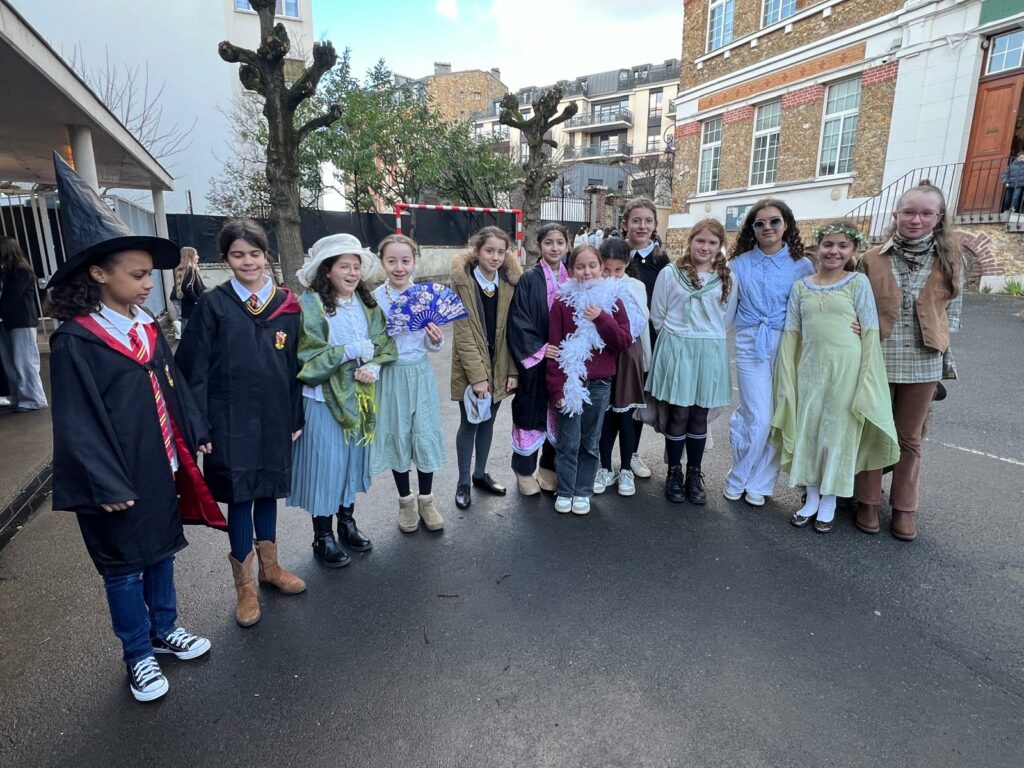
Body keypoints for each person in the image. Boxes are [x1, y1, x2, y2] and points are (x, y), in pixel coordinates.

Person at [45, 152, 219, 702]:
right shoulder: (77, 340)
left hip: (157, 464)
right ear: (99, 273)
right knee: (123, 568)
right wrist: (104, 482)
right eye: (138, 275)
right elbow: (75, 421)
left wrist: (195, 429)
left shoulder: (145, 328)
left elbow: (173, 385)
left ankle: (165, 629)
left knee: (161, 552)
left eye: (149, 275)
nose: (148, 285)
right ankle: (138, 653)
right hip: (116, 479)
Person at [174, 219, 306, 628]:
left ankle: (271, 568)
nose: (248, 261)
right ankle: (245, 586)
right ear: (225, 258)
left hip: (275, 415)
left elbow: (297, 366)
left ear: (266, 256)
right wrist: (198, 426)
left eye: (254, 253)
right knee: (241, 496)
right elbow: (192, 370)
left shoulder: (287, 306)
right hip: (228, 419)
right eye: (238, 254)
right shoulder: (213, 305)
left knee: (267, 491)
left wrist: (295, 415)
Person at [771, 222, 900, 533]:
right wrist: (787, 376)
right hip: (810, 370)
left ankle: (829, 500)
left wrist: (867, 377)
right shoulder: (801, 287)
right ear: (818, 247)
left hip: (847, 369)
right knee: (810, 429)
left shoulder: (857, 283)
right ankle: (812, 497)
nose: (834, 251)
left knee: (838, 432)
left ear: (853, 250)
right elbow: (792, 333)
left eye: (843, 246)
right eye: (828, 244)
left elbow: (870, 332)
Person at [854, 182, 965, 541]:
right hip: (878, 357)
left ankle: (904, 508)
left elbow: (953, 310)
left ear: (939, 217)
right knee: (873, 432)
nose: (916, 220)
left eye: (926, 213)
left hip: (925, 360)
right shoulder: (871, 258)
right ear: (896, 215)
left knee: (910, 438)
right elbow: (856, 302)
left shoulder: (951, 259)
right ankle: (868, 501)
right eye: (909, 212)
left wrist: (941, 333)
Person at [289, 234, 397, 565]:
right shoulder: (310, 305)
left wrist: (375, 366)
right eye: (343, 267)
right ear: (327, 270)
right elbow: (307, 357)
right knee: (327, 467)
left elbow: (383, 343)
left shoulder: (367, 304)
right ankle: (322, 536)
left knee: (350, 462)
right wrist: (348, 351)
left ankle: (346, 522)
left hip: (359, 398)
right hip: (323, 400)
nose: (352, 273)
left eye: (355, 267)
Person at [724, 199, 815, 507]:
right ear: (752, 228)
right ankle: (738, 475)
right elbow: (725, 307)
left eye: (774, 221)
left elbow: (812, 307)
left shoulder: (802, 265)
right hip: (750, 342)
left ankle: (761, 482)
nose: (767, 228)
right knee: (757, 415)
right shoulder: (738, 264)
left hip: (787, 342)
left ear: (785, 224)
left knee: (778, 415)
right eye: (760, 223)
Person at [649, 219, 738, 504]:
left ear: (720, 246)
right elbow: (658, 314)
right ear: (690, 241)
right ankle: (674, 472)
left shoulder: (726, 276)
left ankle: (694, 472)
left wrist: (705, 335)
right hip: (677, 345)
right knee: (678, 413)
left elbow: (726, 317)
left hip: (709, 349)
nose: (705, 247)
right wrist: (679, 337)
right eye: (700, 240)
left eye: (712, 242)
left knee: (699, 415)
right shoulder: (670, 273)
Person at [547, 244, 633, 515]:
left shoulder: (613, 300)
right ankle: (565, 490)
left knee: (590, 441)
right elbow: (554, 349)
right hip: (569, 382)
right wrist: (557, 389)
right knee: (568, 441)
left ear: (601, 268)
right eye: (580, 267)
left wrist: (601, 318)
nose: (587, 272)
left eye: (592, 266)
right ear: (571, 270)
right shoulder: (561, 304)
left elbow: (623, 341)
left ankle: (583, 490)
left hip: (599, 382)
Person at [370, 234, 446, 533]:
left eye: (405, 260)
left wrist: (435, 338)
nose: (399, 267)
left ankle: (427, 500)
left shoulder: (425, 296)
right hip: (390, 375)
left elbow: (431, 345)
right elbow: (369, 341)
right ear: (382, 262)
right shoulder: (374, 299)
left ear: (415, 261)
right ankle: (405, 501)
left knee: (424, 434)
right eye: (392, 261)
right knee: (398, 435)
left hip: (420, 374)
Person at [449, 226, 521, 510]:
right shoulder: (463, 282)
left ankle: (480, 474)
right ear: (477, 251)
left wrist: (512, 371)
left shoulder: (509, 283)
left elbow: (513, 331)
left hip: (500, 365)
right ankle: (463, 482)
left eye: (501, 252)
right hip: (471, 369)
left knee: (488, 421)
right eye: (489, 250)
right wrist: (478, 378)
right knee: (470, 423)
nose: (495, 257)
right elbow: (464, 335)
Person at [509, 223, 569, 496]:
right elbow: (519, 320)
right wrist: (541, 349)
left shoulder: (573, 276)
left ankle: (548, 468)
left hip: (564, 361)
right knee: (530, 414)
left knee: (559, 414)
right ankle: (523, 471)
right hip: (536, 360)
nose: (555, 248)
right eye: (549, 242)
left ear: (567, 245)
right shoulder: (529, 279)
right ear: (538, 245)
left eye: (560, 242)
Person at [595, 237, 650, 497]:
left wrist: (617, 331)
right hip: (602, 353)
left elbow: (641, 323)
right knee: (605, 413)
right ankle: (605, 467)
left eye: (618, 269)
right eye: (606, 270)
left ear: (627, 265)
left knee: (626, 413)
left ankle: (626, 468)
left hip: (627, 353)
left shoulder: (635, 286)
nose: (612, 275)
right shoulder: (593, 284)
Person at [622, 198, 670, 481]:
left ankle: (630, 454)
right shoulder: (614, 252)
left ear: (655, 225)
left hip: (646, 340)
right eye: (636, 220)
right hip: (613, 338)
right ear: (625, 223)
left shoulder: (661, 260)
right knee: (610, 400)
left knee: (636, 400)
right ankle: (602, 460)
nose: (642, 226)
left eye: (648, 221)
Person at [0, 237, 47, 412]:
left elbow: (11, 298)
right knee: (12, 363)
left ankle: (33, 399)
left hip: (21, 321)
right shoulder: (11, 271)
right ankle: (20, 398)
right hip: (10, 321)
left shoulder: (20, 272)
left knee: (24, 361)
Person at [172, 246, 205, 338]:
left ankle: (180, 333)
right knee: (190, 328)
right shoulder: (191, 269)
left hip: (185, 304)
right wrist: (197, 300)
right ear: (190, 256)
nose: (198, 257)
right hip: (190, 305)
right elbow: (186, 288)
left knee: (184, 322)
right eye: (196, 254)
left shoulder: (185, 269)